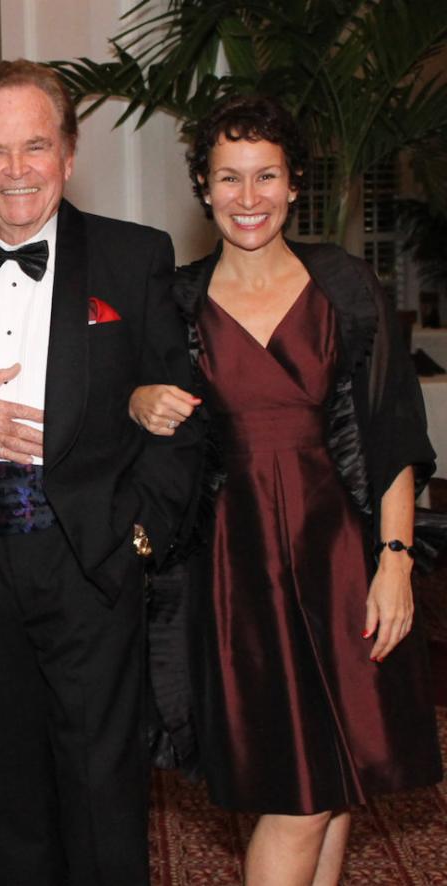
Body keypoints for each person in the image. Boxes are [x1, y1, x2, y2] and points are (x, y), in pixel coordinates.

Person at [0, 60, 202, 884]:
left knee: (104, 803)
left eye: (34, 146)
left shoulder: (134, 257)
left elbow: (182, 416)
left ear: (68, 154)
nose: (17, 170)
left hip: (92, 561)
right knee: (11, 807)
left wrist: (138, 539)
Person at [130, 94, 442, 885]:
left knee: (336, 784)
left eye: (265, 175)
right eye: (228, 177)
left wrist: (396, 561)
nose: (248, 196)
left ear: (295, 182)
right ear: (203, 186)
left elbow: (391, 432)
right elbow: (120, 405)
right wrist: (138, 400)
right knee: (297, 795)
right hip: (238, 573)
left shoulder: (346, 285)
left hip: (341, 559)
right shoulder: (175, 300)